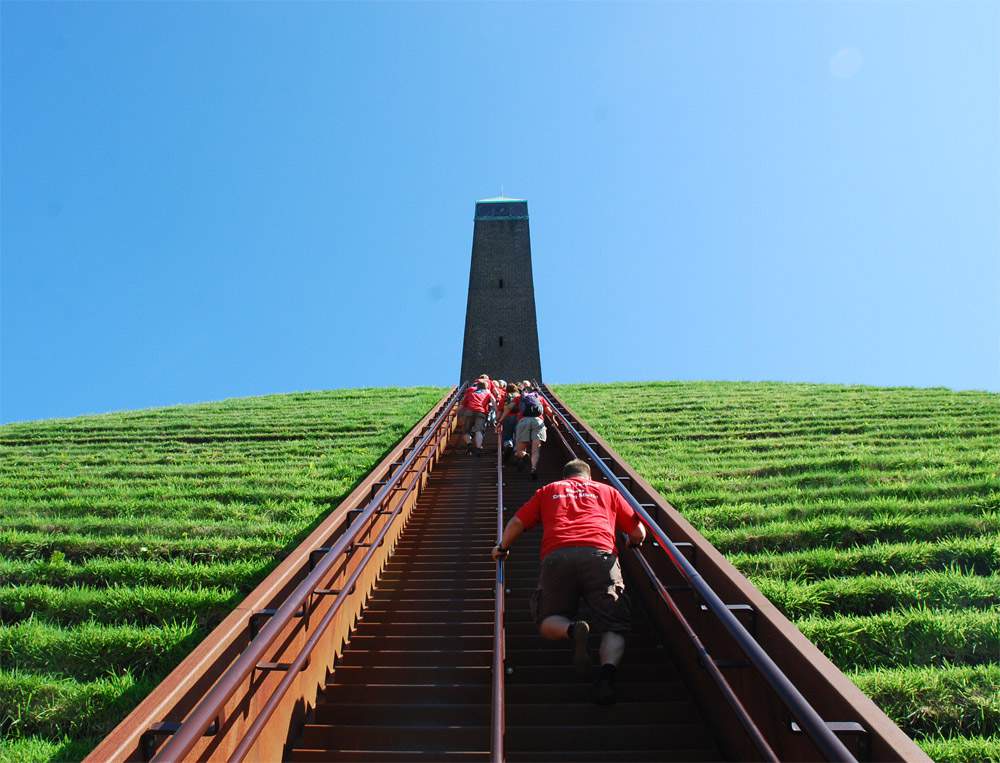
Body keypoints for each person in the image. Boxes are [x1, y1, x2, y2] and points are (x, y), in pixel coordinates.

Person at [491, 459, 646, 704]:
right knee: (614, 624)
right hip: (601, 556)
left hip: (557, 557)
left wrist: (502, 547)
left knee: (547, 619)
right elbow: (638, 531)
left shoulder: (549, 490)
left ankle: (572, 630)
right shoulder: (608, 491)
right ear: (587, 475)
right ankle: (606, 677)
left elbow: (517, 522)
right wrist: (632, 542)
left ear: (565, 476)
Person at [510, 382, 557, 479]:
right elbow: (549, 411)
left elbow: (509, 407)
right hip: (538, 422)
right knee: (536, 450)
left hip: (524, 421)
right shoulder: (540, 398)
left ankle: (525, 456)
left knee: (519, 450)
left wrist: (500, 420)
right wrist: (554, 420)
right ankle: (533, 468)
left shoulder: (520, 398)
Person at [458, 378, 495, 456]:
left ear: (477, 386)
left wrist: (456, 413)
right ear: (486, 386)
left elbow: (462, 404)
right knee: (479, 430)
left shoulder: (471, 392)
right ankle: (478, 448)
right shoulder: (488, 392)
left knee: (466, 431)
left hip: (469, 412)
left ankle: (469, 445)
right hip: (481, 412)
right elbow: (494, 402)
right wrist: (497, 413)